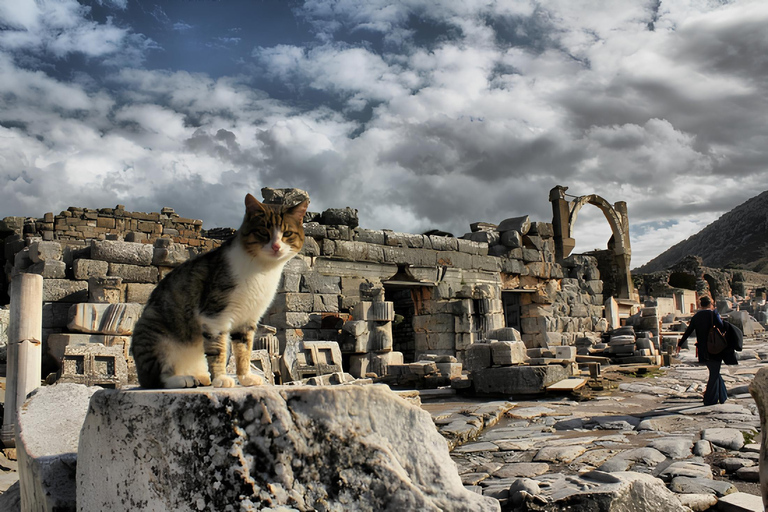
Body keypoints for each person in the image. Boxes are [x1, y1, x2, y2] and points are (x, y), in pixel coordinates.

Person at [676, 296, 737, 406]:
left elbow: (689, 331)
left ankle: (722, 396)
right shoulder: (713, 314)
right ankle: (709, 399)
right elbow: (722, 328)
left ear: (701, 304)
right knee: (714, 373)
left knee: (714, 372)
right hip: (715, 348)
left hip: (703, 349)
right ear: (711, 304)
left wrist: (680, 344)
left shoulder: (696, 316)